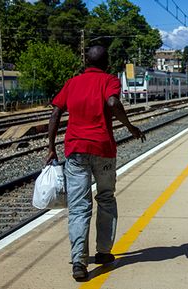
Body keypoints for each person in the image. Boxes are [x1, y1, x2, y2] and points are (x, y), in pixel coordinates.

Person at [45, 45, 146, 281]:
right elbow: (112, 103)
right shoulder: (109, 80)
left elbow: (55, 114)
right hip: (103, 150)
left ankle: (79, 262)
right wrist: (130, 127)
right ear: (106, 62)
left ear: (85, 61)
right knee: (106, 198)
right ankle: (103, 252)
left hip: (76, 151)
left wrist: (50, 147)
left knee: (79, 207)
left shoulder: (72, 83)